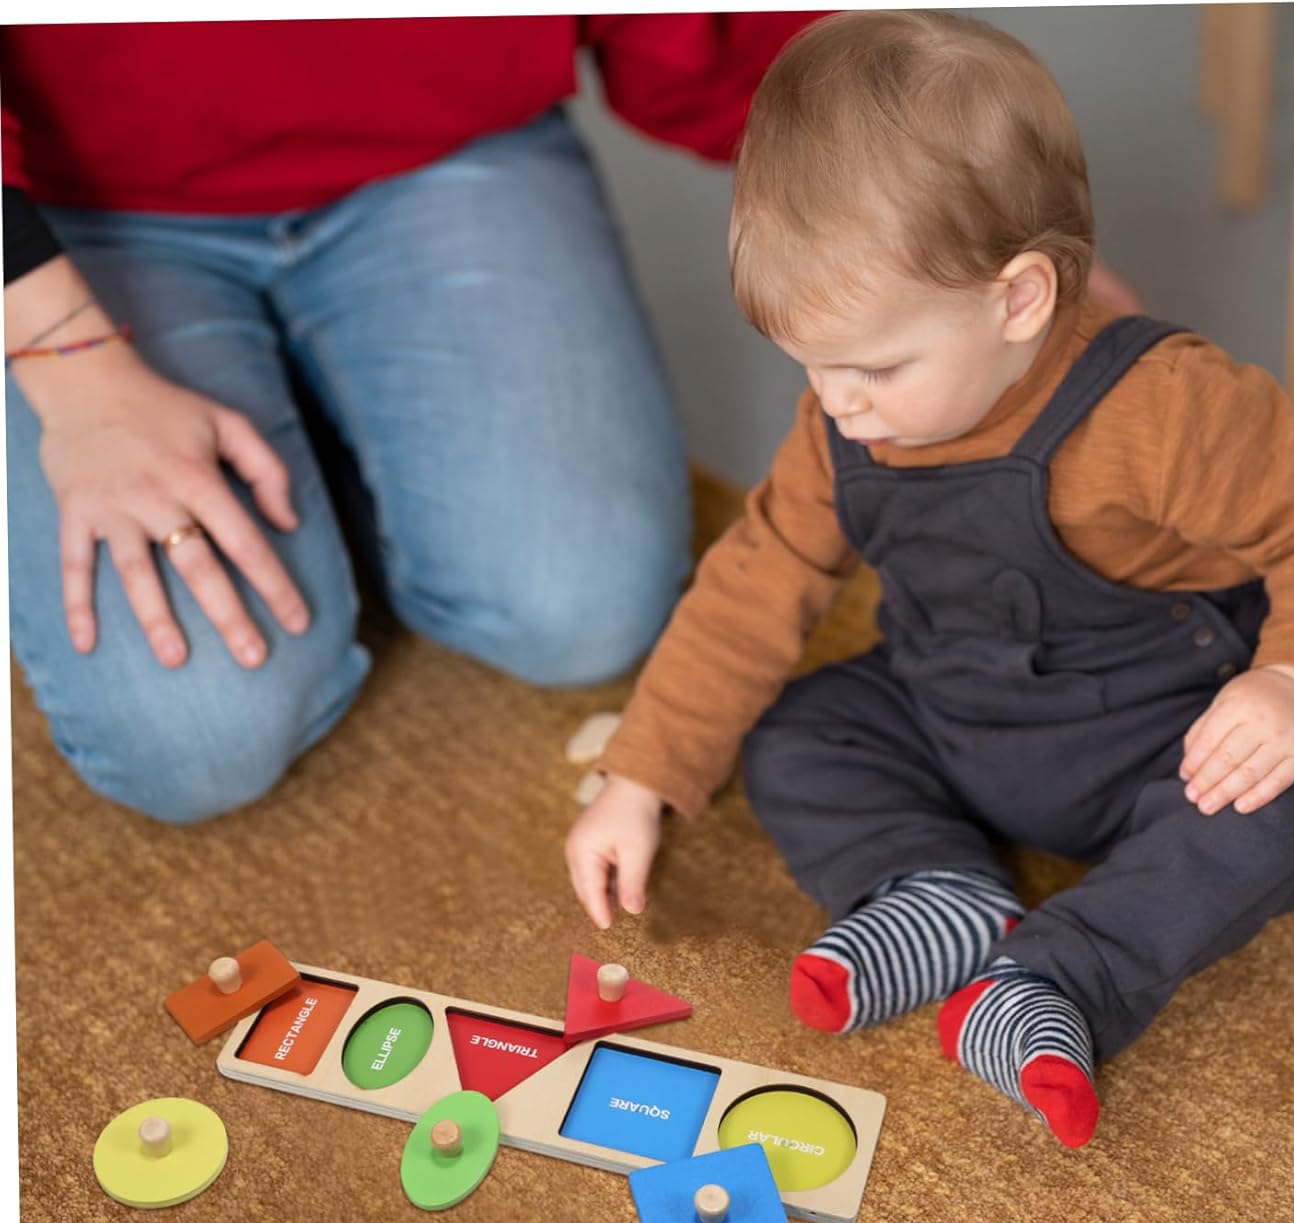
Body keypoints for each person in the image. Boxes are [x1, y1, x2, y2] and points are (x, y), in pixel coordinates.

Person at [565, 10, 1294, 1148]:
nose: (836, 403)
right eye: (811, 366)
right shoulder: (844, 414)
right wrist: (640, 776)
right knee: (793, 733)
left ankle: (1059, 976)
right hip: (948, 711)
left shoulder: (1166, 405)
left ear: (1019, 300)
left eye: (873, 367)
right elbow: (757, 580)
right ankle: (935, 892)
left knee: (1292, 808)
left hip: (1161, 743)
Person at [2, 13, 818, 823]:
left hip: (438, 142)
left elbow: (720, 44)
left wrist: (875, 160)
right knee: (197, 739)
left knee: (580, 610)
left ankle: (327, 420)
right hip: (68, 199)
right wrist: (77, 376)